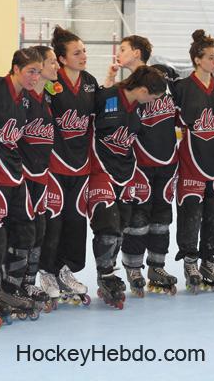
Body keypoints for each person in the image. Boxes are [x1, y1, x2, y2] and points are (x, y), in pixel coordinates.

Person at [107, 35, 180, 297]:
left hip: (168, 159)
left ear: (137, 53)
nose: (119, 53)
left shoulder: (166, 76)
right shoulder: (125, 88)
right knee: (138, 217)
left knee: (162, 217)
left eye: (123, 49)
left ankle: (157, 267)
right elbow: (106, 109)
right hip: (139, 163)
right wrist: (109, 80)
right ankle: (133, 268)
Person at [89, 65, 167, 308]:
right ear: (143, 90)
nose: (153, 102)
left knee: (121, 225)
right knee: (107, 225)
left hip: (125, 172)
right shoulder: (107, 97)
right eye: (153, 97)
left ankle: (110, 270)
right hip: (101, 169)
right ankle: (105, 274)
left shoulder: (137, 107)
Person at [38, 26, 95, 306]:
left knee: (75, 221)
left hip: (81, 164)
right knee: (54, 220)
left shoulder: (90, 83)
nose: (83, 56)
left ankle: (65, 270)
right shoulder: (51, 81)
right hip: (55, 164)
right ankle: (47, 272)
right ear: (61, 59)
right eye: (77, 52)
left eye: (84, 51)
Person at [0, 48, 43, 322]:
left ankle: (9, 290)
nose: (35, 77)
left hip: (14, 172)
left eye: (38, 72)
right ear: (16, 69)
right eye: (31, 71)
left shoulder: (26, 99)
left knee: (25, 230)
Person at [173, 30, 214, 294]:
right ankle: (190, 262)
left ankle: (209, 261)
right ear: (197, 60)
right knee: (191, 214)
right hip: (191, 163)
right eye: (210, 57)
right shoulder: (182, 88)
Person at [17, 45, 57, 310]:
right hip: (22, 174)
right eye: (52, 62)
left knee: (39, 230)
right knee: (22, 231)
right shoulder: (23, 97)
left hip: (42, 174)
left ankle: (29, 281)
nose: (56, 67)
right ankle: (13, 283)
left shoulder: (48, 97)